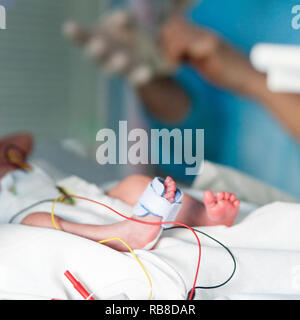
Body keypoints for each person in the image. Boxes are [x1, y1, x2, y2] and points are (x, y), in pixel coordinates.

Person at [136, 0, 300, 198]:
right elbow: (197, 153)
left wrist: (251, 79)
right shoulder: (203, 16)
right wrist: (151, 79)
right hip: (240, 214)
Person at [0, 133, 240, 252]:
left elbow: (24, 137)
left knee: (136, 184)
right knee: (35, 223)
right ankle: (125, 234)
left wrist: (6, 158)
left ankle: (206, 216)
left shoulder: (16, 162)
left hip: (86, 196)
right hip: (35, 214)